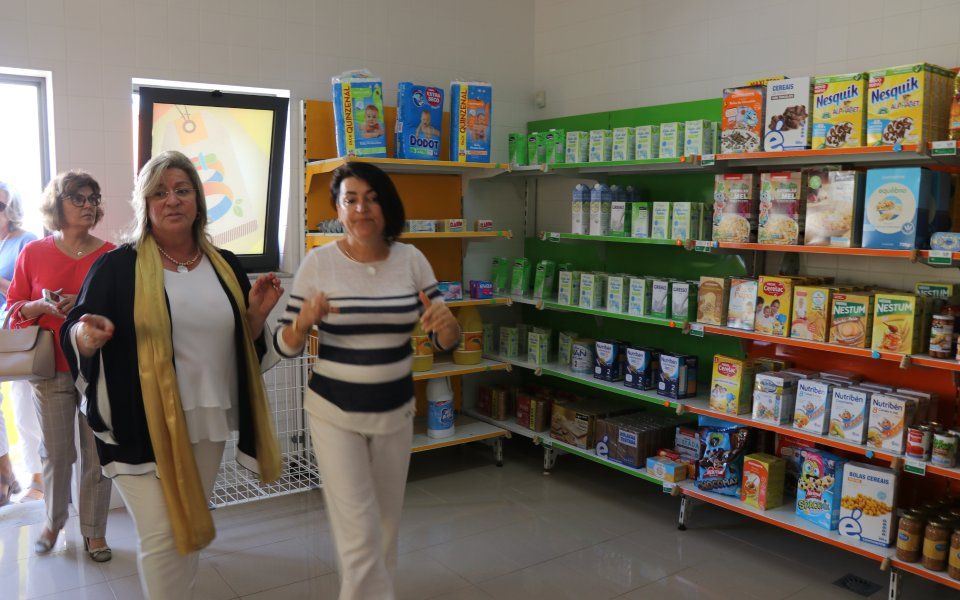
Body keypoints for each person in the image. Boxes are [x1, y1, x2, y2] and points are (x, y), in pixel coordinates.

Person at [61, 150, 283, 599]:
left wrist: (256, 317)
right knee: (163, 536)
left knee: (189, 530)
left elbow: (240, 343)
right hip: (134, 424)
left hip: (204, 417)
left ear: (198, 201)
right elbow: (75, 328)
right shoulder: (117, 267)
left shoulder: (225, 266)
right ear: (145, 205)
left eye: (182, 190)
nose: (172, 200)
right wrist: (87, 336)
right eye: (159, 192)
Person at [275, 162, 460, 599]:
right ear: (338, 211)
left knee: (385, 525)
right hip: (335, 413)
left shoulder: (411, 260)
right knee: (359, 530)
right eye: (351, 200)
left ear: (387, 205)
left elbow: (443, 338)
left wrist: (448, 328)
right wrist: (301, 323)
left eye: (372, 199)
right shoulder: (319, 263)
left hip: (395, 412)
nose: (362, 209)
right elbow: (285, 345)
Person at [6, 170, 114, 559]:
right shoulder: (33, 252)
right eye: (78, 198)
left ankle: (94, 531)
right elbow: (14, 310)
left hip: (99, 370)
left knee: (97, 454)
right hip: (50, 369)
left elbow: (122, 313)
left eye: (93, 199)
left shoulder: (112, 255)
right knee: (56, 453)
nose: (88, 206)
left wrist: (83, 308)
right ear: (57, 205)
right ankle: (53, 521)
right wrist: (40, 305)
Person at [0, 181, 39, 505]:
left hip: (16, 334)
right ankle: (6, 473)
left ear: (11, 210)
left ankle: (38, 477)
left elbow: (32, 291)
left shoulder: (26, 241)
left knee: (26, 406)